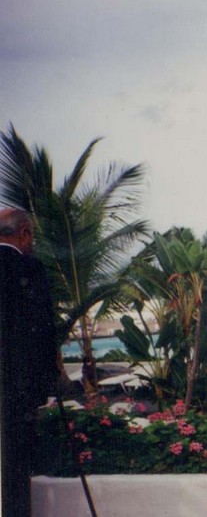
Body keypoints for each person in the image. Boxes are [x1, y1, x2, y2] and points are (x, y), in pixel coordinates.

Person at [0, 208, 59, 516]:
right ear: (23, 233)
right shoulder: (28, 268)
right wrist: (46, 387)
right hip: (15, 395)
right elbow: (43, 332)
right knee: (14, 476)